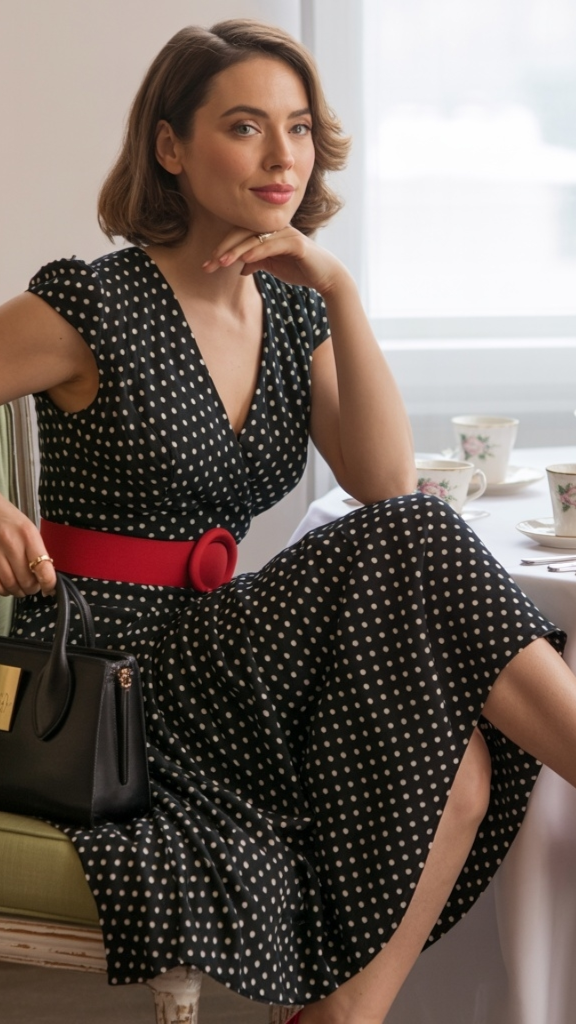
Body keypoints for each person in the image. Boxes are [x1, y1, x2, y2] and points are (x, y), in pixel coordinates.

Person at [0, 18, 574, 1023]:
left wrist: (341, 289)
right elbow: (401, 515)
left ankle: (344, 1016)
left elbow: (386, 478)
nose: (283, 156)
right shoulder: (89, 304)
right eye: (246, 126)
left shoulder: (295, 311)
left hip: (229, 657)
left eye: (300, 128)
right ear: (171, 148)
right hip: (116, 674)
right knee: (422, 539)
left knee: (465, 760)